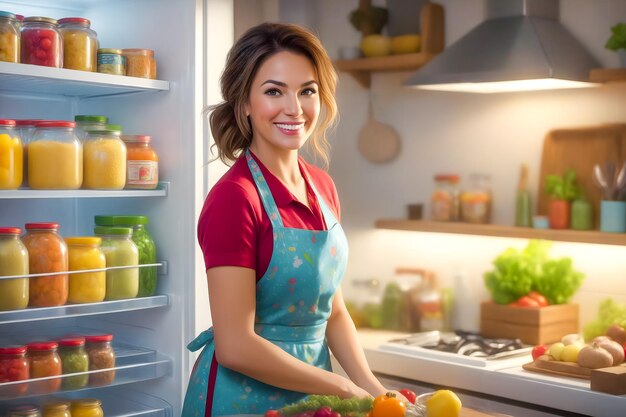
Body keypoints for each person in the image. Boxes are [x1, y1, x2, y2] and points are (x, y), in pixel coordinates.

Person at [182, 22, 390, 416]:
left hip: (317, 398)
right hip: (241, 399)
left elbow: (333, 311)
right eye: (274, 91)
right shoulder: (234, 199)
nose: (294, 109)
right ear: (244, 102)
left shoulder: (323, 188)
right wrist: (343, 387)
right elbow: (235, 345)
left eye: (306, 91)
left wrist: (375, 389)